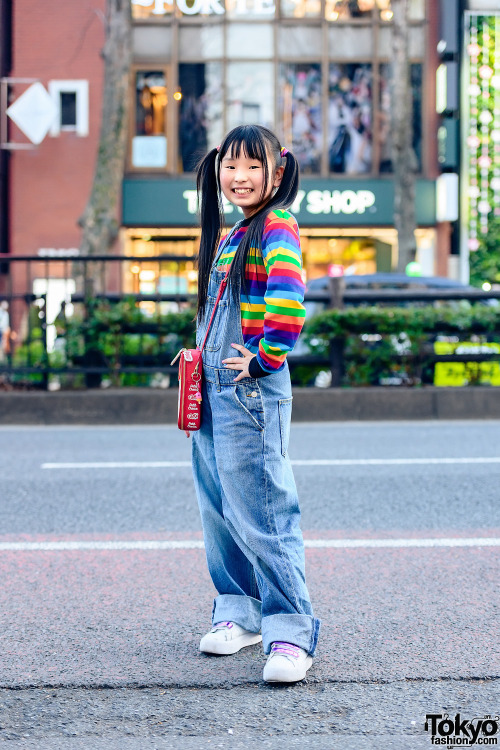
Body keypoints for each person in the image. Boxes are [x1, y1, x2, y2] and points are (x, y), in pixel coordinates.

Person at [187, 124, 321, 684]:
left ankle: (290, 632)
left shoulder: (276, 225)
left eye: (253, 167)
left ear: (277, 173)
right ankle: (239, 615)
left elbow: (289, 304)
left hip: (248, 392)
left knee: (264, 510)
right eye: (230, 166)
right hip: (214, 387)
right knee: (218, 509)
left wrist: (264, 359)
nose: (239, 177)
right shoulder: (233, 232)